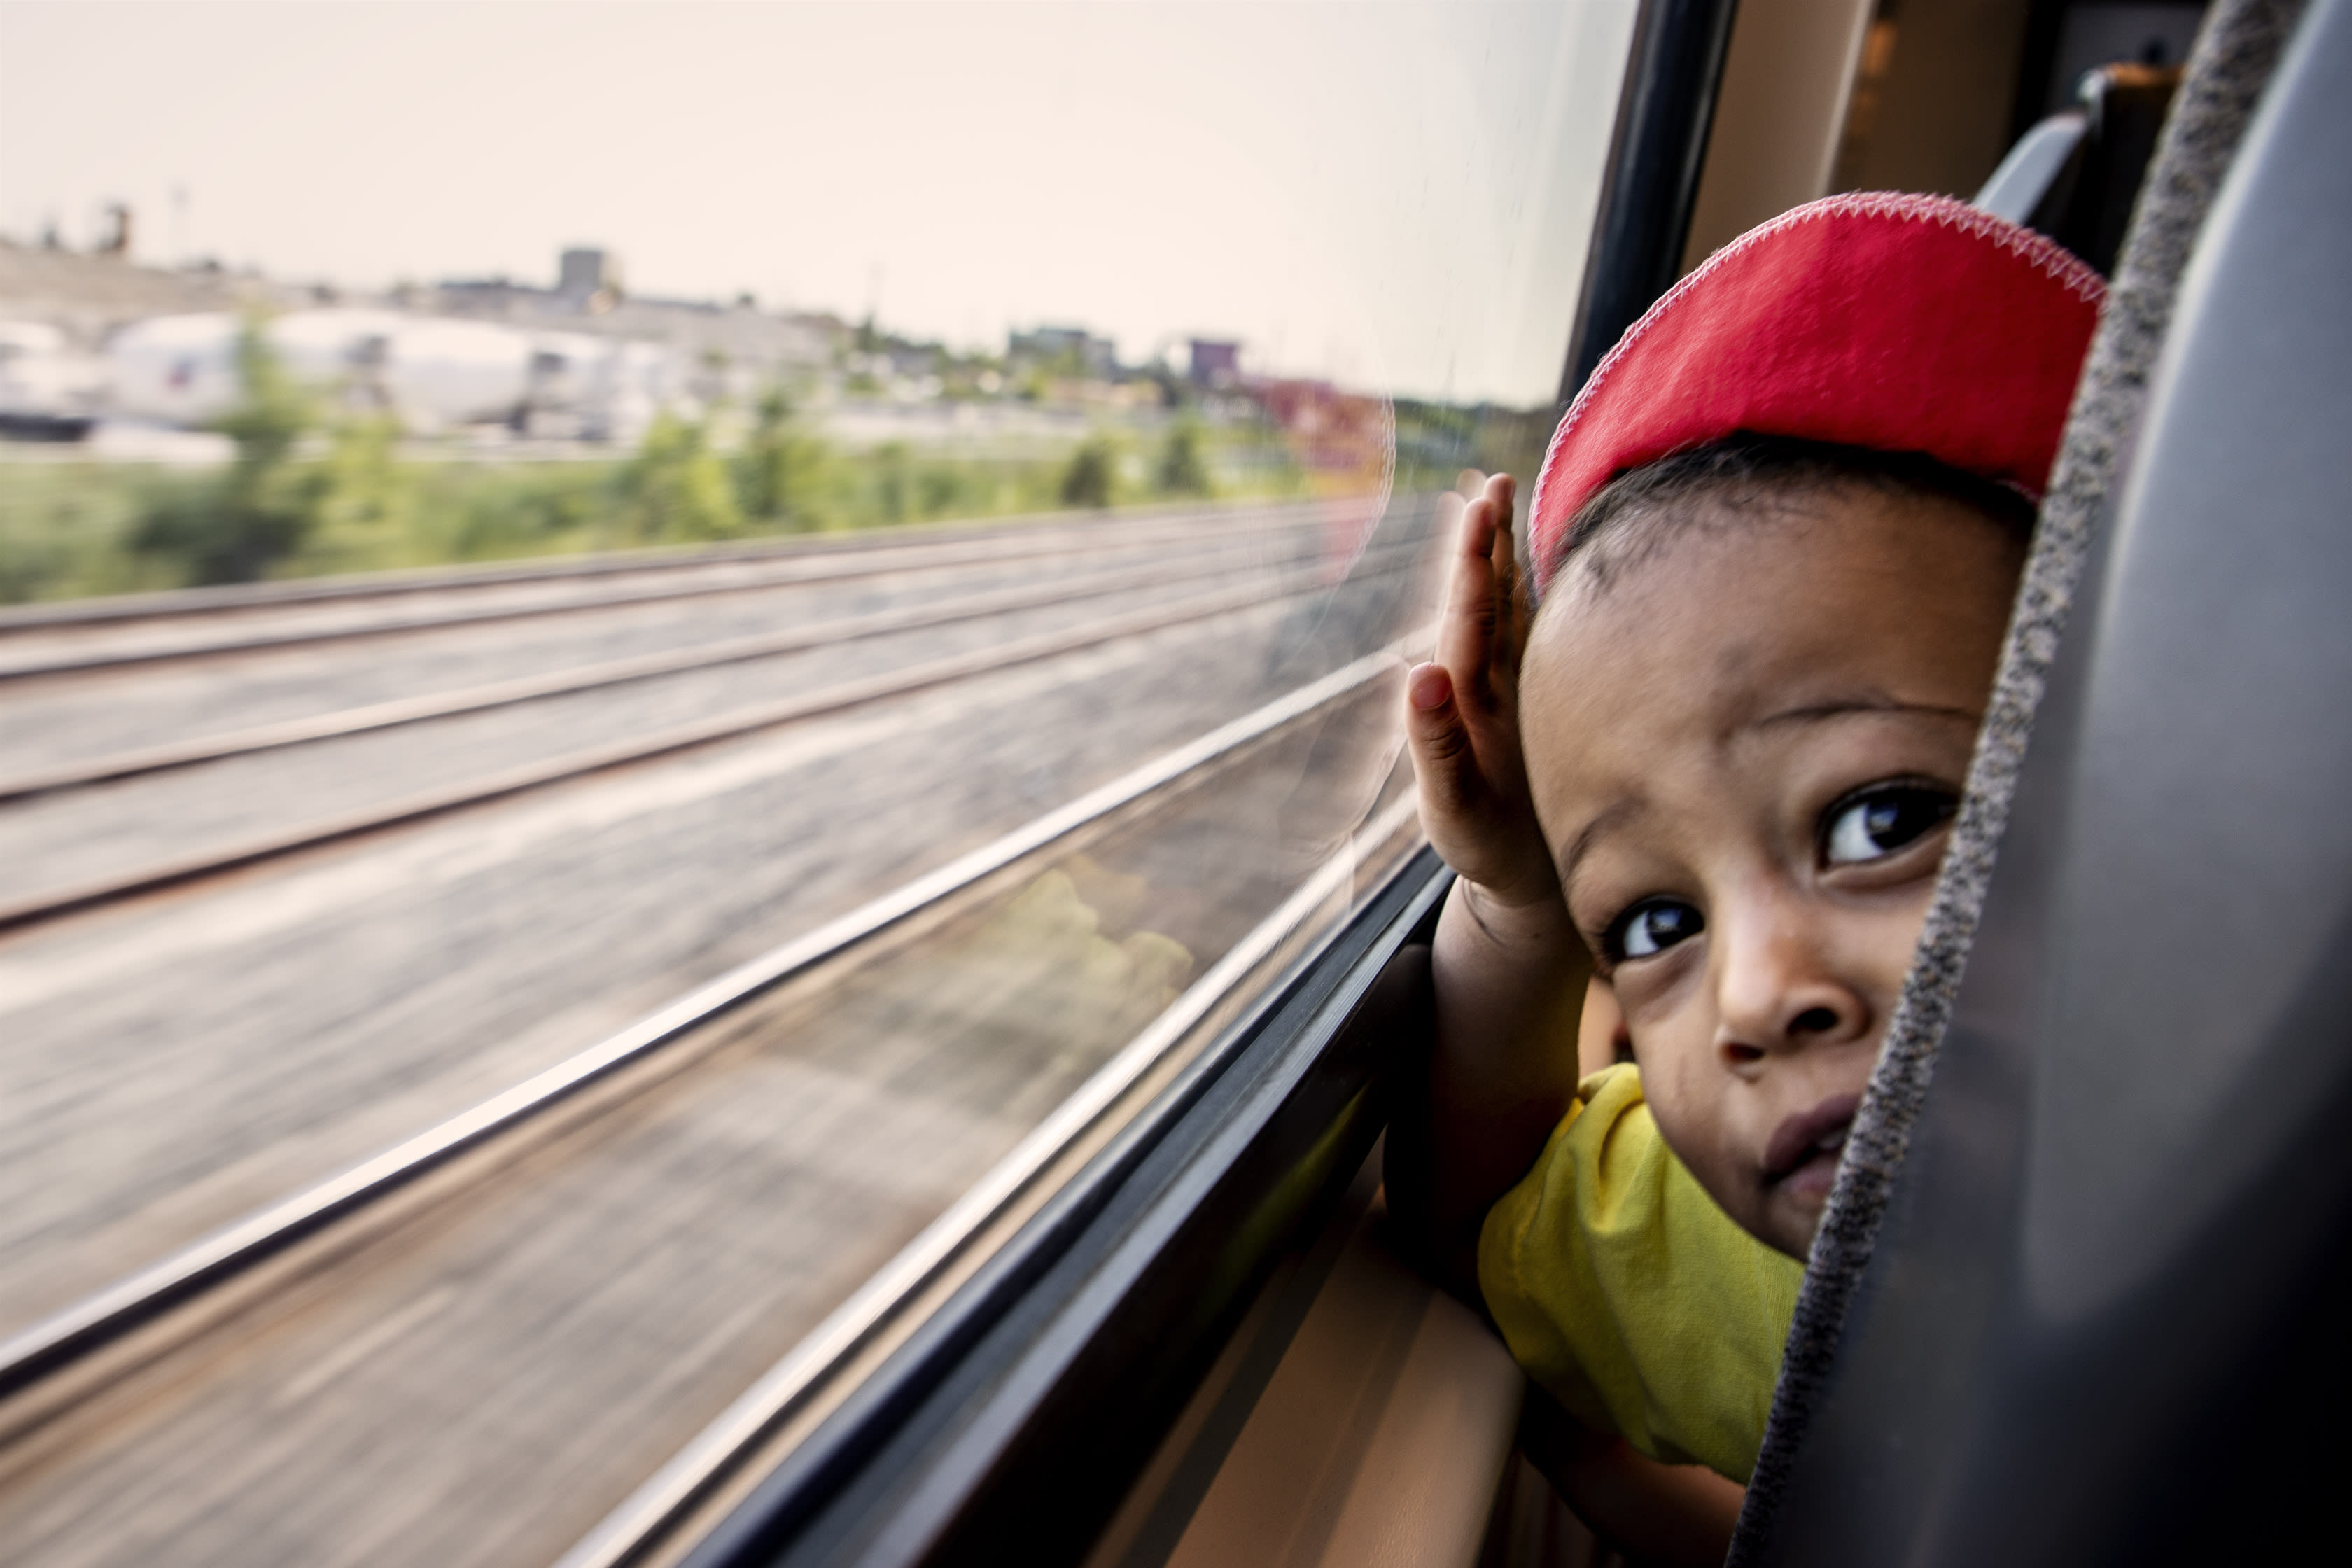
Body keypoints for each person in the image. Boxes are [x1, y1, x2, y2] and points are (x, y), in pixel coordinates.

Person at [1385, 193, 2106, 1563]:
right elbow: (1477, 1217)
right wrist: (1523, 905)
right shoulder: (1758, 1264)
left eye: (1879, 821)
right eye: (1657, 921)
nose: (1760, 996)